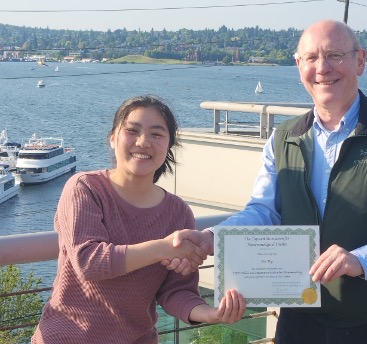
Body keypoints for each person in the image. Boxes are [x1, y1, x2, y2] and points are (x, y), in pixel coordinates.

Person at [162, 20, 367, 343]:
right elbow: (264, 213)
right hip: (298, 325)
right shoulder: (282, 138)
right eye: (311, 58)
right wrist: (213, 238)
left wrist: (362, 259)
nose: (322, 68)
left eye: (335, 55)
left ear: (361, 61)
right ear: (299, 67)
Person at [31, 95, 246, 344]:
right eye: (132, 131)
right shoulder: (85, 188)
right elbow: (89, 262)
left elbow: (176, 291)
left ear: (169, 146)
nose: (143, 142)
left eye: (157, 134)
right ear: (112, 138)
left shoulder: (178, 213)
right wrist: (164, 247)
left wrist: (212, 313)